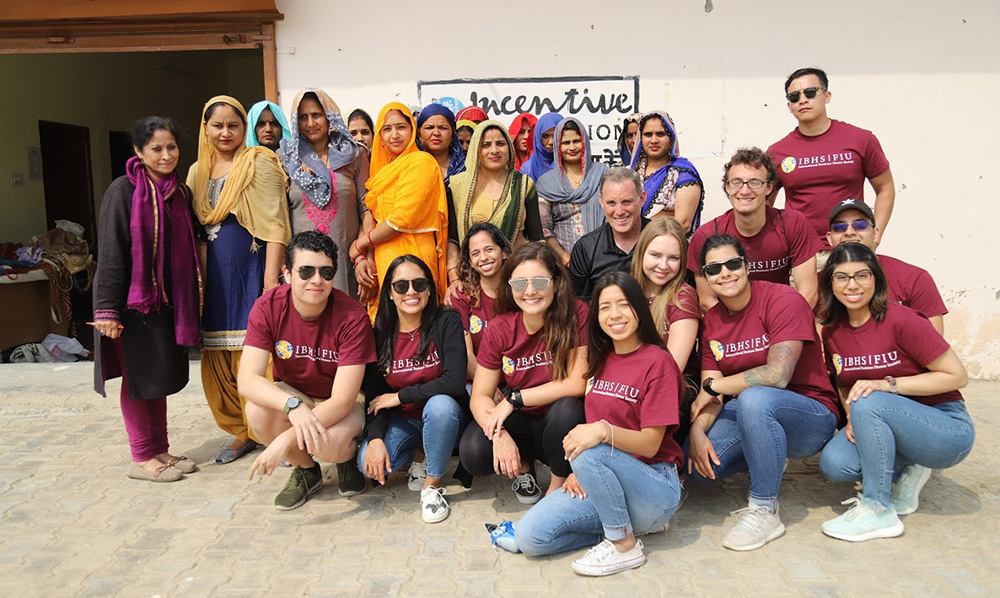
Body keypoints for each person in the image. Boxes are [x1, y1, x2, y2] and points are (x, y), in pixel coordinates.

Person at [502, 272, 684, 576]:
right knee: (530, 536)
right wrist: (585, 472)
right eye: (604, 307)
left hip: (653, 485)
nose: (614, 315)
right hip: (606, 484)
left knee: (588, 446)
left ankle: (625, 545)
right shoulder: (600, 359)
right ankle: (625, 528)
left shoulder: (658, 362)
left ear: (639, 308)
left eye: (623, 305)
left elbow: (651, 444)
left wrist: (600, 436)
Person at [687, 234, 839, 551]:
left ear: (747, 265)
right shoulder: (713, 320)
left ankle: (764, 508)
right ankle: (768, 453)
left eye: (732, 264)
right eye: (714, 269)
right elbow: (710, 393)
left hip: (811, 415)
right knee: (701, 467)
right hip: (752, 412)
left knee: (756, 397)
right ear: (705, 276)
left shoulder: (784, 300)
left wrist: (715, 387)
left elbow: (777, 375)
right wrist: (698, 429)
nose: (725, 273)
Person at [816, 242, 974, 541]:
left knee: (871, 399)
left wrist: (888, 386)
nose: (852, 285)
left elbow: (957, 376)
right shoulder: (833, 330)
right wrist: (851, 416)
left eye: (862, 275)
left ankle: (878, 510)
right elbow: (844, 381)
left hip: (945, 426)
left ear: (876, 279)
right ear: (831, 284)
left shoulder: (901, 319)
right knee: (836, 464)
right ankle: (907, 468)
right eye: (842, 277)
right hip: (882, 418)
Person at [93, 116, 201, 482]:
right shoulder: (123, 191)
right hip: (131, 306)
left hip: (167, 305)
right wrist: (106, 309)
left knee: (158, 377)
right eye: (156, 148)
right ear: (139, 151)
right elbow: (111, 252)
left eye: (171, 147)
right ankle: (141, 457)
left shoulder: (179, 193)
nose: (166, 155)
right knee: (137, 379)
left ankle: (161, 449)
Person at [187, 96, 291, 465]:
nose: (226, 132)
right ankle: (240, 429)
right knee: (218, 351)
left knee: (256, 350)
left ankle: (266, 425)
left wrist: (269, 285)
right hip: (212, 276)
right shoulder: (197, 172)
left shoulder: (259, 162)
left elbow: (276, 225)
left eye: (234, 125)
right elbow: (196, 231)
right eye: (218, 125)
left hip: (250, 271)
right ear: (206, 129)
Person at [242, 231, 375, 509]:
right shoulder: (267, 307)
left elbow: (342, 400)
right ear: (287, 274)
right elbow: (248, 380)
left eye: (326, 272)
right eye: (306, 271)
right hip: (296, 393)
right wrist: (293, 406)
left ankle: (346, 460)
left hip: (340, 401)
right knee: (256, 410)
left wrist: (284, 441)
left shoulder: (352, 317)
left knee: (330, 443)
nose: (317, 280)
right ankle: (306, 470)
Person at [459, 243, 588, 502]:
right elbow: (481, 395)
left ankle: (557, 483)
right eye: (519, 284)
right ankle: (524, 467)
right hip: (520, 422)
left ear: (555, 282)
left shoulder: (576, 313)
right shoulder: (500, 327)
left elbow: (576, 383)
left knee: (567, 409)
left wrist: (514, 399)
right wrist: (499, 435)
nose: (530, 291)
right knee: (474, 451)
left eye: (540, 282)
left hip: (559, 423)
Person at [357, 255, 468, 523]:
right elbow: (376, 398)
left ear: (430, 288)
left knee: (439, 405)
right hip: (404, 420)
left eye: (419, 284)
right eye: (401, 286)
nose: (411, 292)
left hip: (446, 418)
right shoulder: (380, 333)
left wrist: (400, 396)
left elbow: (453, 381)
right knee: (367, 465)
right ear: (390, 294)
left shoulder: (447, 321)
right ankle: (421, 453)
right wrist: (374, 439)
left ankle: (432, 484)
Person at [767, 67, 895, 256]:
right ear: (789, 106)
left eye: (810, 92)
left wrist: (875, 235)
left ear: (827, 96)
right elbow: (764, 205)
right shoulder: (777, 152)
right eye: (794, 97)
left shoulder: (860, 139)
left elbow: (885, 187)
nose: (803, 100)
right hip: (802, 253)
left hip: (852, 248)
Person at [687, 147, 820, 312]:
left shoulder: (793, 225)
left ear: (769, 187)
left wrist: (784, 325)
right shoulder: (707, 235)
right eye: (736, 183)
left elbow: (808, 293)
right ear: (727, 187)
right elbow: (707, 301)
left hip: (782, 317)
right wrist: (745, 331)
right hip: (732, 324)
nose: (744, 191)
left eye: (754, 183)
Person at [349, 102, 449, 317]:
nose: (394, 135)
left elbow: (400, 219)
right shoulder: (380, 172)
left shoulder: (421, 162)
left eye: (401, 127)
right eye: (387, 129)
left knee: (418, 321)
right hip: (383, 257)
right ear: (380, 137)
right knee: (390, 327)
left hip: (416, 255)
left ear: (412, 131)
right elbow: (371, 217)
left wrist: (359, 244)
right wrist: (363, 258)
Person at [279, 89, 369, 299]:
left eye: (317, 115)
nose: (310, 123)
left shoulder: (354, 154)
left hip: (347, 264)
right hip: (303, 267)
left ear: (329, 116)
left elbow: (366, 209)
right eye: (303, 117)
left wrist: (363, 256)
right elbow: (278, 218)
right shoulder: (285, 158)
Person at [446, 120, 543, 292]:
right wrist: (454, 278)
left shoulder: (523, 185)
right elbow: (453, 239)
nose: (494, 150)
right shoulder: (459, 185)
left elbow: (536, 238)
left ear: (509, 147)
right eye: (486, 145)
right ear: (476, 148)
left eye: (500, 143)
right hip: (471, 280)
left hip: (516, 279)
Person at [826, 198, 947, 334]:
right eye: (839, 227)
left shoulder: (914, 278)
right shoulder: (819, 284)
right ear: (830, 238)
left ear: (876, 233)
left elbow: (934, 344)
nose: (849, 232)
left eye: (859, 225)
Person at [632, 217, 700, 439]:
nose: (663, 265)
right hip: (629, 381)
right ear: (641, 253)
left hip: (674, 386)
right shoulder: (626, 291)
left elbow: (672, 369)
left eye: (673, 258)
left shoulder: (683, 297)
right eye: (655, 255)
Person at [536, 117, 609, 265]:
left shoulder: (603, 174)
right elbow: (545, 230)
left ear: (585, 143)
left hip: (603, 258)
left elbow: (611, 216)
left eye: (576, 141)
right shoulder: (547, 183)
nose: (572, 147)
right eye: (565, 143)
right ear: (557, 146)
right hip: (564, 264)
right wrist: (566, 259)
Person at [569, 168, 646, 301]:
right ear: (601, 201)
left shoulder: (663, 239)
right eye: (611, 203)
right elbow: (580, 308)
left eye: (627, 202)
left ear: (642, 199)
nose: (619, 211)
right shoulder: (585, 249)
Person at [450, 222, 512, 380]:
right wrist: (486, 390)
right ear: (470, 261)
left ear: (504, 252)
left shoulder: (521, 290)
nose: (483, 258)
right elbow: (467, 355)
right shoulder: (462, 295)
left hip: (519, 384)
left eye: (489, 249)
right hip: (477, 384)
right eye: (475, 253)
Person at [628, 111, 704, 233]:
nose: (654, 140)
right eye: (648, 134)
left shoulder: (684, 174)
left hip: (669, 248)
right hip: (630, 248)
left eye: (661, 134)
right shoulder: (631, 172)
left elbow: (682, 224)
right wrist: (665, 215)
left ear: (671, 137)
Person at [415, 103, 466, 182]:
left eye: (443, 128)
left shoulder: (466, 170)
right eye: (429, 128)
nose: (436, 133)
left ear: (452, 133)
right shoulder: (410, 167)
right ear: (419, 134)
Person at [520, 112, 562, 182]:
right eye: (545, 136)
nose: (551, 142)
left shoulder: (573, 164)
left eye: (555, 135)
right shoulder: (528, 169)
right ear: (538, 138)